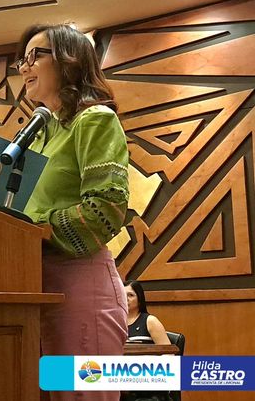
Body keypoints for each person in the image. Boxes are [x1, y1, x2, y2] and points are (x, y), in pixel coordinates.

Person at [18, 24, 129, 401]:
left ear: (69, 60)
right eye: (22, 60)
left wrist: (33, 231)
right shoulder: (40, 135)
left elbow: (106, 209)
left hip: (79, 287)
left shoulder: (94, 119)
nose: (24, 67)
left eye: (35, 56)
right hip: (32, 286)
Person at [125, 280, 171, 345]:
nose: (125, 299)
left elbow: (167, 350)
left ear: (139, 299)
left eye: (130, 295)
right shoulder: (116, 322)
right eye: (122, 295)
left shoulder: (150, 321)